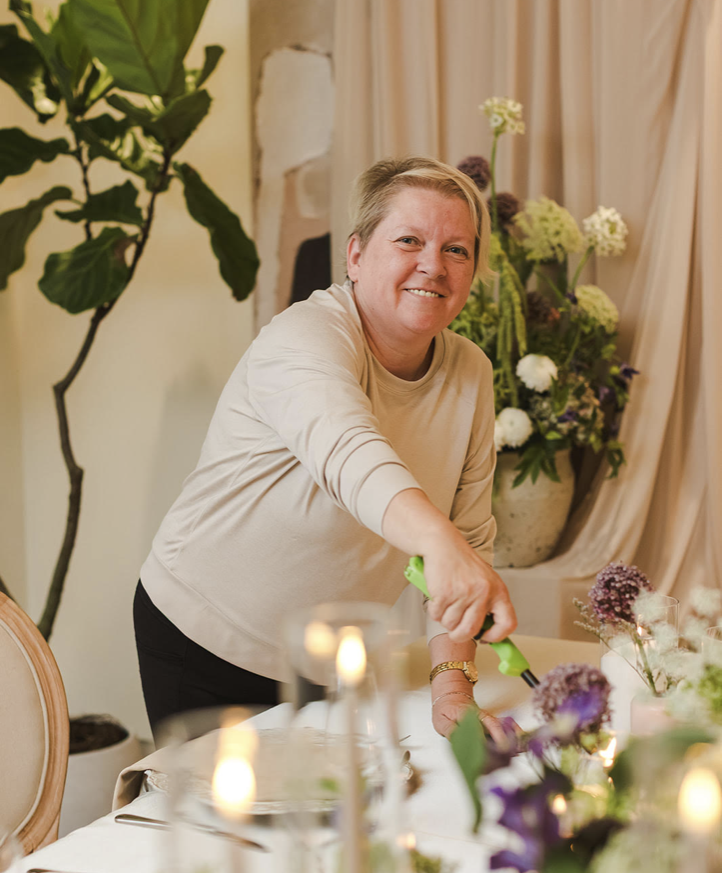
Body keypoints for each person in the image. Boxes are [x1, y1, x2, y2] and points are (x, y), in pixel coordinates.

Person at [134, 155, 518, 742]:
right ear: (357, 256)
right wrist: (441, 544)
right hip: (205, 637)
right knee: (229, 829)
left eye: (456, 249)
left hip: (326, 654)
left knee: (327, 817)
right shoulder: (302, 336)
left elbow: (467, 538)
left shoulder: (471, 371)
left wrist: (453, 688)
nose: (432, 266)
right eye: (409, 240)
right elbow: (351, 455)